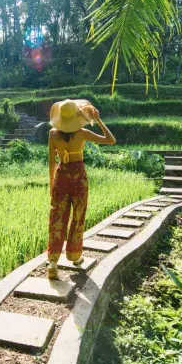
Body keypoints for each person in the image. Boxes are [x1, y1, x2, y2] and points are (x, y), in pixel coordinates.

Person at [47, 99, 116, 280]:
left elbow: (52, 163)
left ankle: (53, 261)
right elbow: (111, 140)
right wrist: (99, 120)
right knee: (78, 216)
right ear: (76, 117)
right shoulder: (83, 133)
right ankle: (75, 257)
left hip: (61, 177)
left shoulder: (53, 134)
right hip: (79, 177)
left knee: (57, 217)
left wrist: (51, 184)